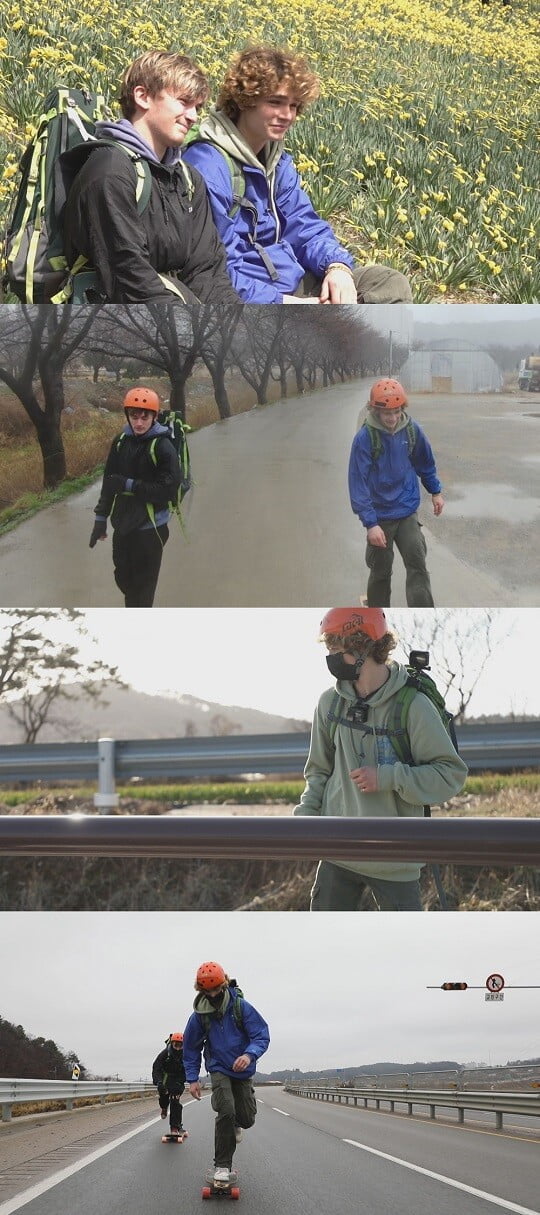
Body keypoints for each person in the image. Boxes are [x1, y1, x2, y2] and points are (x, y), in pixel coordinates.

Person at [182, 46, 412, 305]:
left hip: (293, 282)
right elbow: (218, 272)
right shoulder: (208, 166)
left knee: (386, 283)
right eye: (276, 102)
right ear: (244, 100)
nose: (287, 115)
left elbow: (304, 227)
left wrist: (337, 267)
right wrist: (291, 305)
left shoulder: (276, 162)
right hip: (251, 299)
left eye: (294, 105)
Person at [293, 607, 468, 911]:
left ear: (363, 646)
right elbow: (318, 772)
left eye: (336, 649)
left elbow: (449, 775)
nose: (331, 658)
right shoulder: (329, 704)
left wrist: (387, 777)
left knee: (404, 951)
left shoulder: (414, 706)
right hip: (336, 853)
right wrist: (305, 821)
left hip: (395, 860)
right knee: (322, 948)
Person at [62, 51, 242, 305]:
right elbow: (128, 278)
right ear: (142, 96)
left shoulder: (188, 180)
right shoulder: (109, 171)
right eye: (183, 101)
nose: (193, 116)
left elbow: (207, 271)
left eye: (197, 107)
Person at [348, 378, 444, 607]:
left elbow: (425, 463)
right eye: (386, 413)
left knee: (418, 566)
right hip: (380, 516)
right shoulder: (365, 438)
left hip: (407, 511)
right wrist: (370, 524)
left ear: (402, 408)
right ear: (375, 410)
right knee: (381, 571)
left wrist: (435, 491)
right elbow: (357, 483)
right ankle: (377, 617)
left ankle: (423, 612)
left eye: (396, 411)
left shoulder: (412, 430)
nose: (392, 418)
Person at [89, 386, 180, 607]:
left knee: (143, 589)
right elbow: (110, 482)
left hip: (151, 528)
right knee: (123, 578)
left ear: (154, 416)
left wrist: (129, 484)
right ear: (127, 415)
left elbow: (168, 489)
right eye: (134, 416)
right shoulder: (120, 441)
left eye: (145, 417)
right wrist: (100, 519)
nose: (139, 423)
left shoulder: (163, 446)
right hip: (123, 524)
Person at [183, 962, 270, 1186]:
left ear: (223, 985)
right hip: (218, 1067)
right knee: (226, 1109)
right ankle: (222, 1166)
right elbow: (191, 1048)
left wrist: (249, 1055)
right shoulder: (199, 1016)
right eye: (206, 991)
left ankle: (236, 1122)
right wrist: (192, 1079)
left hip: (243, 1069)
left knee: (247, 1119)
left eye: (216, 990)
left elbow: (261, 1035)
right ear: (200, 990)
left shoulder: (241, 1007)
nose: (212, 995)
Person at [152, 1032, 187, 1136]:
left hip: (177, 1080)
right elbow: (156, 1068)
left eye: (180, 1045)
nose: (177, 1048)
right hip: (165, 1078)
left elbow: (187, 1070)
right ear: (171, 1044)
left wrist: (180, 1084)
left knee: (175, 1102)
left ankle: (175, 1127)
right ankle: (163, 1107)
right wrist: (158, 1082)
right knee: (164, 1096)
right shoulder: (165, 1054)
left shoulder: (185, 1055)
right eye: (176, 1045)